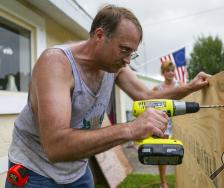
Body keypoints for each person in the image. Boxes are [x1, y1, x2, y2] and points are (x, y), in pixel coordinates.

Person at [5, 4, 210, 188]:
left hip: (77, 170)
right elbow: (56, 146)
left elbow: (145, 95)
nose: (128, 60)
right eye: (124, 50)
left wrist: (189, 87)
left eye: (133, 53)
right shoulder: (57, 64)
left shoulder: (114, 65)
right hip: (35, 173)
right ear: (100, 36)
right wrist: (131, 129)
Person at [152, 60, 184, 188]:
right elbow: (149, 102)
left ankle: (181, 178)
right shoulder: (157, 88)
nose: (171, 73)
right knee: (163, 153)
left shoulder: (180, 85)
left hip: (178, 123)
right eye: (167, 70)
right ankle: (163, 182)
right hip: (163, 124)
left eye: (172, 70)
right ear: (163, 73)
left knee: (179, 151)